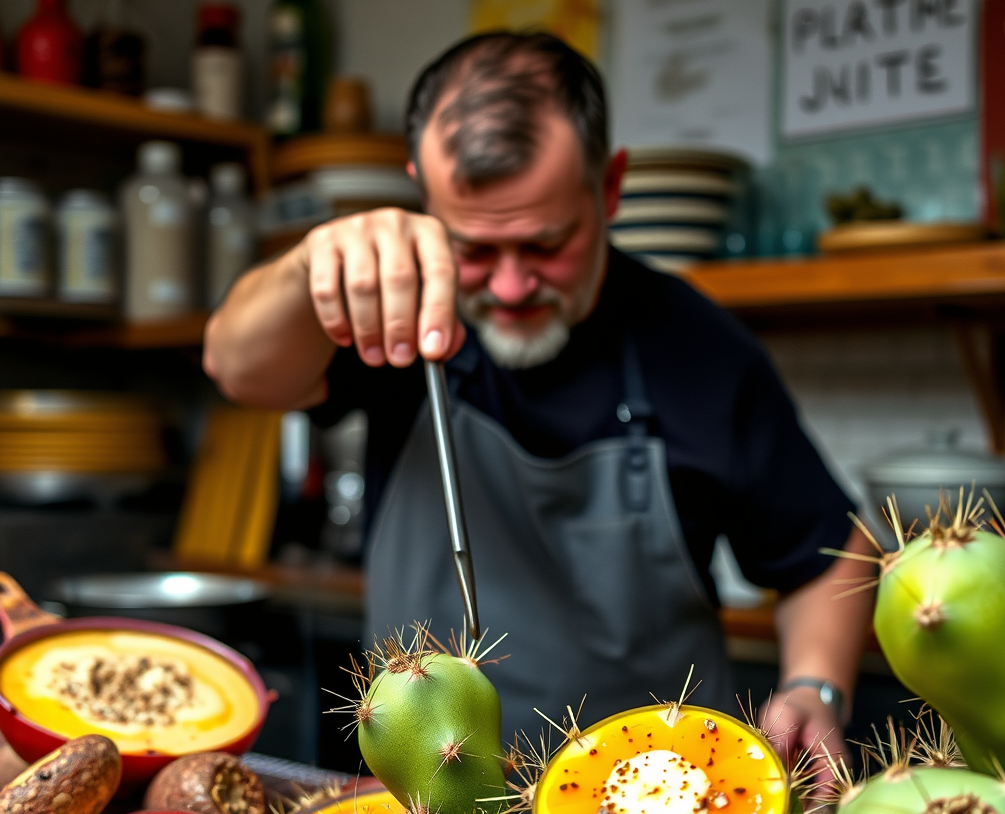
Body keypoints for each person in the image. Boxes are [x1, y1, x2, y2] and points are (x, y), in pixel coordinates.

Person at [204, 32, 875, 773]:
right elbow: (238, 368)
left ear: (609, 187)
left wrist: (817, 687)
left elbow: (829, 553)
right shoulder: (395, 314)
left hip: (662, 811)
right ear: (424, 196)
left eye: (548, 244)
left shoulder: (703, 348)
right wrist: (309, 265)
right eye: (478, 251)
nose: (514, 286)